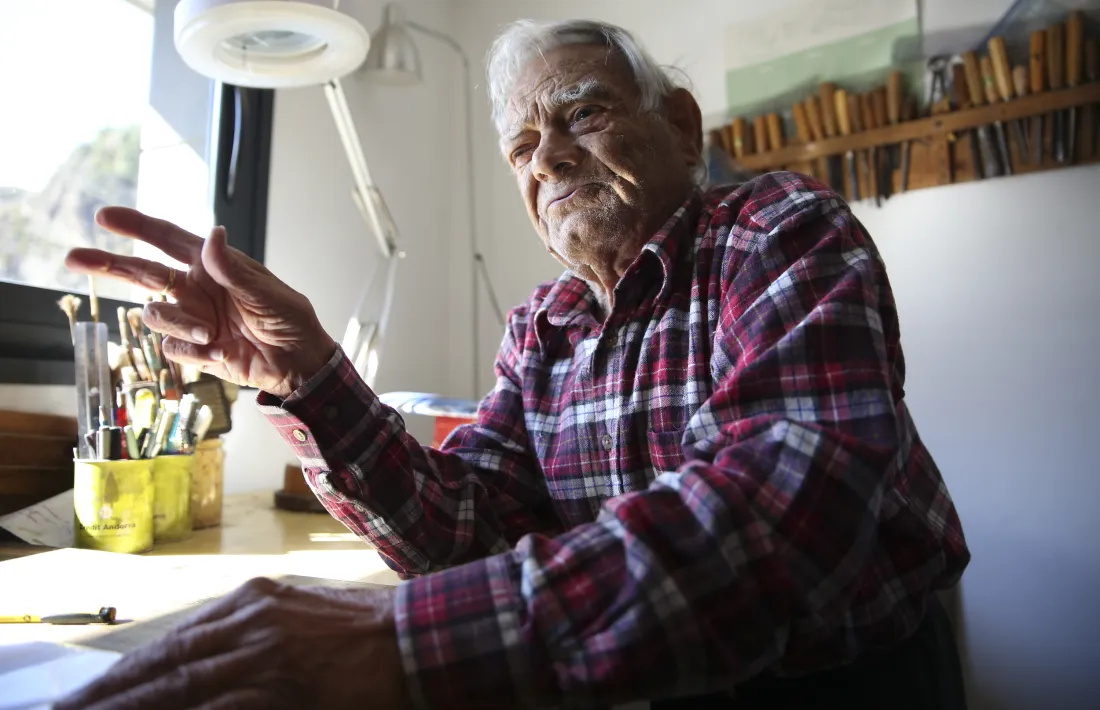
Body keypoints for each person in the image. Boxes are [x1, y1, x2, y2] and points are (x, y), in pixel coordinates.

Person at [57, 18, 970, 710]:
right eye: (523, 147)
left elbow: (786, 512)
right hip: (636, 675)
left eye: (583, 113)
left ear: (683, 128)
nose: (552, 157)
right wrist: (308, 378)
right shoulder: (544, 327)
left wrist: (397, 641)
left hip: (843, 681)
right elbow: (465, 534)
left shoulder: (775, 233)